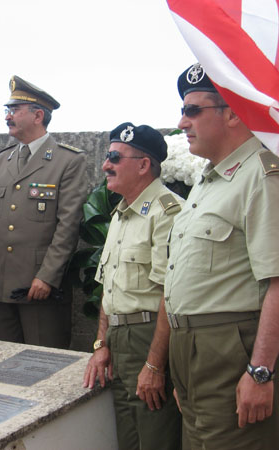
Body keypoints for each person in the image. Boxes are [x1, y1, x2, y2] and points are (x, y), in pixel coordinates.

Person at [164, 63, 279, 449]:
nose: (182, 122)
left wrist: (261, 372)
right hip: (193, 356)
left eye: (193, 110)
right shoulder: (208, 180)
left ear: (231, 112)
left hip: (230, 350)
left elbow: (277, 282)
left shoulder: (261, 175)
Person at [82, 122, 183, 450]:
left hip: (149, 338)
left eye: (114, 157)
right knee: (128, 440)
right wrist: (101, 346)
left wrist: (154, 365)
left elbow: (171, 295)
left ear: (143, 165)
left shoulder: (167, 213)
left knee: (156, 437)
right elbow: (108, 291)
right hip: (119, 340)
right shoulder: (121, 214)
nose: (105, 165)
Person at [0, 75, 88, 348]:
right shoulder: (2, 160)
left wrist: (47, 276)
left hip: (40, 287)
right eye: (7, 111)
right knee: (4, 364)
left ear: (38, 115)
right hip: (0, 285)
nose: (7, 117)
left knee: (43, 365)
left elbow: (67, 226)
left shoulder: (67, 160)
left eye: (14, 111)